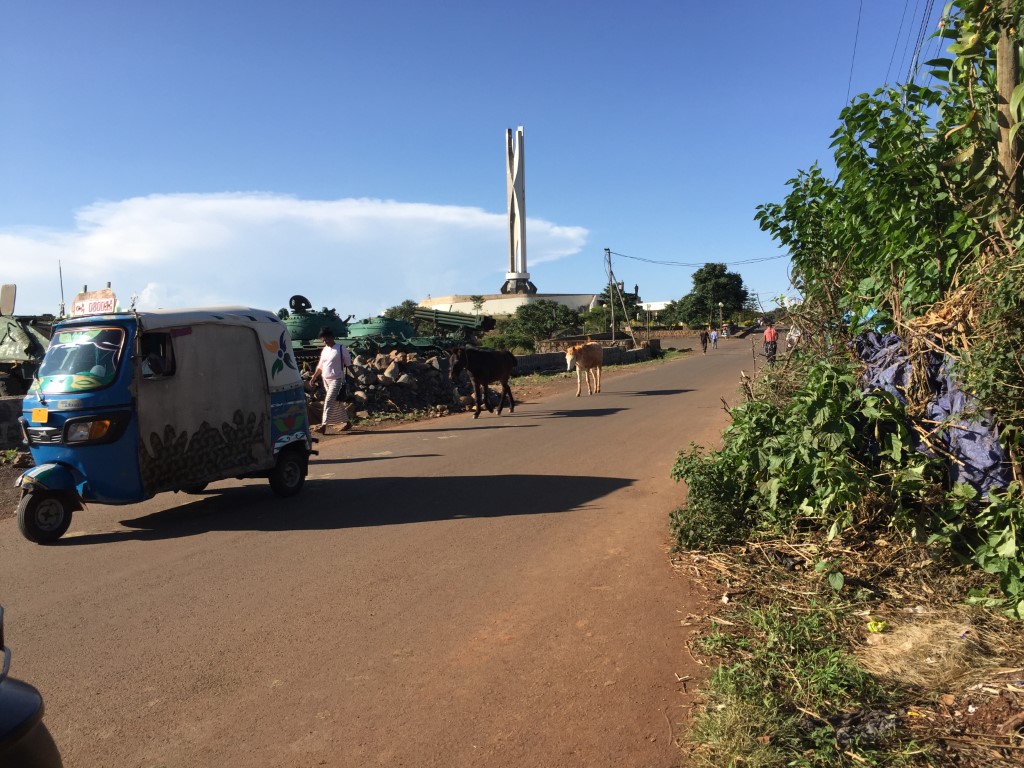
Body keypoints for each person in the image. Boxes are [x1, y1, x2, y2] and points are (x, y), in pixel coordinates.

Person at [310, 326, 353, 433]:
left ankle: (323, 425)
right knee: (337, 403)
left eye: (327, 339)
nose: (326, 342)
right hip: (326, 379)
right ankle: (347, 423)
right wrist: (314, 377)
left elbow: (349, 364)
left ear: (332, 337)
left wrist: (356, 377)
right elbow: (320, 365)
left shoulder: (340, 348)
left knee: (329, 401)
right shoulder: (325, 350)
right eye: (324, 340)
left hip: (337, 379)